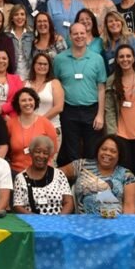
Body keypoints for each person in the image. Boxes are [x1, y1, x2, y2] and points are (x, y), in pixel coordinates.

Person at [54, 23, 107, 165]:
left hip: (92, 110)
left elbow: (101, 87)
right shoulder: (59, 59)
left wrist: (100, 114)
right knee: (71, 152)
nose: (79, 36)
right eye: (75, 33)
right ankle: (74, 179)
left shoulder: (97, 59)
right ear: (70, 36)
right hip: (68, 110)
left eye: (82, 33)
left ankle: (88, 179)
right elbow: (55, 84)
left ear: (87, 34)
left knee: (92, 151)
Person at [105, 44, 135, 178]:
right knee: (125, 168)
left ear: (133, 58)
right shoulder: (112, 80)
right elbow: (109, 109)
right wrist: (112, 132)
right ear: (117, 60)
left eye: (128, 56)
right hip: (121, 133)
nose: (125, 59)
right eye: (121, 57)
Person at [60, 135, 135, 215]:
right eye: (104, 149)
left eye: (113, 151)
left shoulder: (127, 176)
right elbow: (56, 174)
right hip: (83, 220)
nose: (107, 153)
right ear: (98, 150)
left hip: (114, 220)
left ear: (119, 155)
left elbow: (129, 207)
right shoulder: (82, 165)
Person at [13, 136, 74, 215]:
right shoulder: (20, 178)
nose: (41, 156)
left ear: (49, 155)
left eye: (45, 153)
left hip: (58, 220)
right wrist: (37, 219)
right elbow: (18, 206)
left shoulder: (59, 175)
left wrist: (59, 219)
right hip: (31, 221)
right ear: (31, 153)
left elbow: (68, 202)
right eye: (37, 152)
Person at [6, 88, 58, 174]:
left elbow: (53, 149)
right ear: (18, 103)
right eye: (23, 100)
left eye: (30, 100)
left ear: (35, 102)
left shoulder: (45, 123)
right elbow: (6, 149)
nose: (27, 103)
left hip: (41, 171)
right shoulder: (10, 124)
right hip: (16, 172)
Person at [24, 54, 64, 165]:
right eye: (39, 63)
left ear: (49, 67)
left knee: (49, 162)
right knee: (29, 161)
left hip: (51, 128)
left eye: (45, 64)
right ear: (34, 65)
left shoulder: (54, 83)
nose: (42, 66)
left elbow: (59, 107)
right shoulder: (25, 84)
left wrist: (38, 121)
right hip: (28, 128)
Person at [6, 4, 34, 80]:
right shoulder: (6, 35)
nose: (19, 17)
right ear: (12, 18)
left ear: (26, 17)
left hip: (29, 75)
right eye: (16, 14)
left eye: (22, 14)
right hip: (12, 76)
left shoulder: (32, 34)